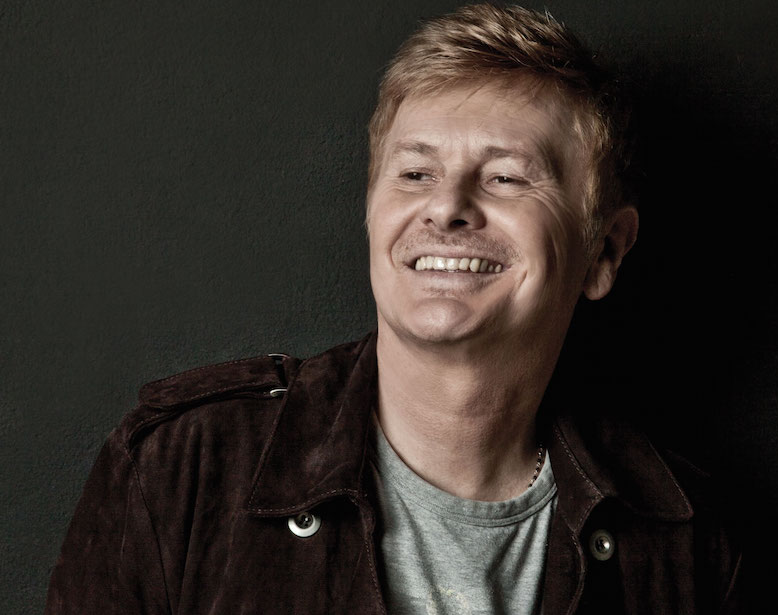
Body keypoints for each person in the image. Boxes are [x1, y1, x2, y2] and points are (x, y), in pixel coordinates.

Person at [45, 4, 742, 614]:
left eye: (505, 176)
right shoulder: (179, 473)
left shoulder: (688, 540)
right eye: (415, 173)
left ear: (604, 253)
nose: (446, 206)